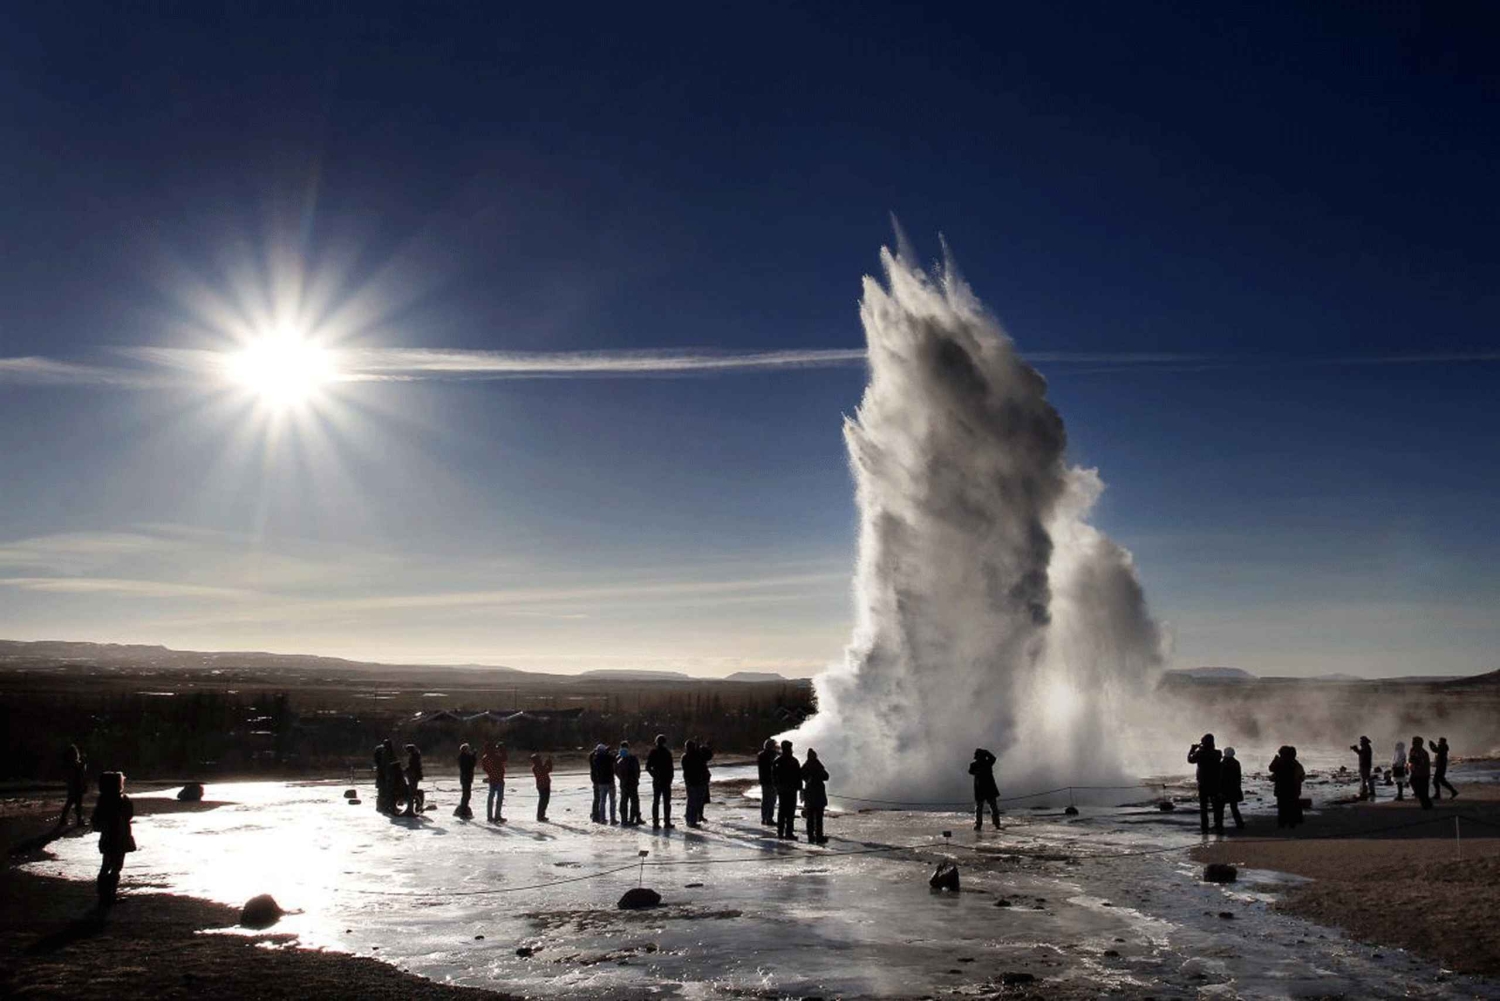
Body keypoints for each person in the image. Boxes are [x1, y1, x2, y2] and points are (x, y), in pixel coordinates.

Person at [90, 771, 136, 906]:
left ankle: (103, 893)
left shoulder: (102, 800)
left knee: (106, 864)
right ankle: (110, 894)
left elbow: (97, 819)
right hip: (121, 835)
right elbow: (129, 815)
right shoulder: (123, 799)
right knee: (117, 866)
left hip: (107, 836)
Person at [1188, 733, 1225, 834]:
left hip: (1203, 783)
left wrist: (1192, 749)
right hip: (1215, 783)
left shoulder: (1200, 753)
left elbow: (1190, 760)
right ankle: (1218, 825)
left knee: (1203, 807)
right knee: (1216, 806)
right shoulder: (1218, 753)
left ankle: (1205, 827)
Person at [1268, 745, 1305, 828]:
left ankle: (1282, 823)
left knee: (1282, 807)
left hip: (1281, 789)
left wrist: (1275, 759)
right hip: (1293, 790)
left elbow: (1271, 769)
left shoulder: (1280, 763)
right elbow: (1301, 777)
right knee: (1291, 806)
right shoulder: (1296, 764)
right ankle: (1292, 823)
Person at [772, 739, 802, 840]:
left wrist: (776, 786)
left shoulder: (778, 760)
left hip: (783, 789)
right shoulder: (793, 761)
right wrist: (800, 788)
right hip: (790, 789)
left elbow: (774, 775)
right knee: (789, 812)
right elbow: (798, 776)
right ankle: (788, 832)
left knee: (783, 811)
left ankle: (781, 832)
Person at [682, 739, 713, 827]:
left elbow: (708, 756)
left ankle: (691, 819)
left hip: (692, 782)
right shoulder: (695, 756)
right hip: (698, 782)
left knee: (692, 801)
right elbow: (707, 756)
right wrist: (700, 749)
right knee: (695, 802)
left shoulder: (686, 756)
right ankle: (692, 820)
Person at [646, 734, 675, 829]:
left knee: (656, 802)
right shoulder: (667, 753)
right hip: (666, 780)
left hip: (657, 780)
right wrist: (670, 779)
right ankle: (667, 822)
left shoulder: (653, 752)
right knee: (666, 802)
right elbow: (671, 768)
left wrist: (654, 775)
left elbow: (647, 767)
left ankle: (656, 823)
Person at [802, 748, 829, 844]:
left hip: (809, 793)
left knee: (810, 817)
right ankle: (819, 836)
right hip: (818, 793)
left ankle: (810, 836)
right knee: (818, 817)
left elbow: (801, 775)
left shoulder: (805, 765)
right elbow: (826, 777)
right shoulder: (818, 765)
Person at [969, 748, 1001, 831]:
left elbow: (970, 772)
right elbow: (993, 758)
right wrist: (987, 752)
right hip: (986, 788)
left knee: (982, 807)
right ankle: (994, 824)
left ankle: (980, 824)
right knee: (990, 807)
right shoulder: (986, 763)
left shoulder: (976, 764)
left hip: (983, 788)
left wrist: (986, 752)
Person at [589, 743, 617, 824]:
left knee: (602, 801)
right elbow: (613, 758)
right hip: (610, 782)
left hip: (601, 782)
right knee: (612, 801)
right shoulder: (608, 757)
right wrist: (609, 752)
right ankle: (612, 819)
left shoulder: (596, 759)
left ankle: (602, 818)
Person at [60, 744, 87, 828]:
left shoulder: (70, 764)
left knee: (70, 802)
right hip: (77, 786)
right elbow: (80, 774)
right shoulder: (75, 764)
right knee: (77, 804)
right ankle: (78, 821)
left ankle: (63, 819)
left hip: (73, 786)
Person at [616, 742, 642, 826]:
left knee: (624, 802)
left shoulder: (618, 760)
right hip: (632, 784)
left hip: (624, 784)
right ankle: (632, 819)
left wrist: (621, 778)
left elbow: (616, 771)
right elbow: (637, 770)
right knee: (634, 802)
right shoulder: (633, 759)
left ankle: (624, 820)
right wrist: (636, 779)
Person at [482, 741, 508, 823]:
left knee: (491, 798)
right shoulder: (495, 756)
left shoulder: (485, 758)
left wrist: (490, 773)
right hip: (499, 779)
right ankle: (497, 816)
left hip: (492, 779)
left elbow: (484, 768)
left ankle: (490, 816)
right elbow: (504, 758)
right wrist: (502, 750)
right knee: (499, 799)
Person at [1220, 747, 1245, 830]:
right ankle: (1239, 823)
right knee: (1234, 807)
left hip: (1224, 788)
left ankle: (1219, 824)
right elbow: (1238, 776)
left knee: (1220, 808)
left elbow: (1221, 777)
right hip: (1234, 788)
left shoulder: (1223, 763)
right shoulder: (1236, 762)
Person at [757, 738, 779, 826]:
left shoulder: (761, 755)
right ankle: (769, 818)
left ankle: (764, 818)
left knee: (765, 800)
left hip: (764, 781)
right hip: (771, 781)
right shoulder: (771, 755)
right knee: (771, 800)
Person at [1407, 735, 1433, 809]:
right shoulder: (1413, 750)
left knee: (1423, 790)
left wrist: (1414, 762)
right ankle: (1426, 803)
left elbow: (1422, 763)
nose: (1412, 743)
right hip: (1415, 772)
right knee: (1414, 784)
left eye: (1414, 742)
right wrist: (1409, 766)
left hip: (1422, 773)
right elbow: (1410, 760)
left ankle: (1426, 804)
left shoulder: (1423, 752)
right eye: (1413, 742)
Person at [1350, 736, 1376, 801]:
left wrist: (1355, 749)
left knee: (1364, 779)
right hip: (1365, 765)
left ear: (1364, 742)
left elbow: (1361, 754)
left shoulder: (1366, 748)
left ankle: (1364, 792)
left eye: (1361, 741)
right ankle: (1368, 791)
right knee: (1366, 778)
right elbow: (1361, 754)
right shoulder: (1366, 747)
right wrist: (1356, 750)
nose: (1360, 742)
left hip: (1365, 765)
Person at [455, 743, 477, 819]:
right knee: (466, 795)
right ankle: (463, 811)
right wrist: (473, 756)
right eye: (468, 749)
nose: (469, 750)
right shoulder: (464, 757)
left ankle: (464, 810)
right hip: (466, 778)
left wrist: (473, 756)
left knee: (466, 794)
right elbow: (471, 765)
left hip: (466, 778)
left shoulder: (463, 757)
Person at [531, 752, 553, 821]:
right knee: (543, 801)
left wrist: (549, 763)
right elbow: (545, 771)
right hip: (542, 786)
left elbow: (548, 770)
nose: (540, 760)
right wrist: (547, 763)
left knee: (545, 801)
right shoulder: (536, 768)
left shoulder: (538, 766)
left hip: (545, 785)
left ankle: (541, 815)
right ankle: (540, 816)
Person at [405, 744, 425, 814]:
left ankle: (413, 808)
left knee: (412, 792)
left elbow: (413, 767)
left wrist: (406, 770)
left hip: (414, 776)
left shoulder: (414, 757)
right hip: (415, 775)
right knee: (413, 791)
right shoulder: (415, 755)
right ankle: (418, 806)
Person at [373, 742, 390, 813]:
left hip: (381, 779)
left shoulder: (379, 761)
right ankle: (381, 807)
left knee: (382, 792)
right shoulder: (381, 762)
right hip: (382, 779)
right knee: (382, 792)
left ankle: (381, 806)